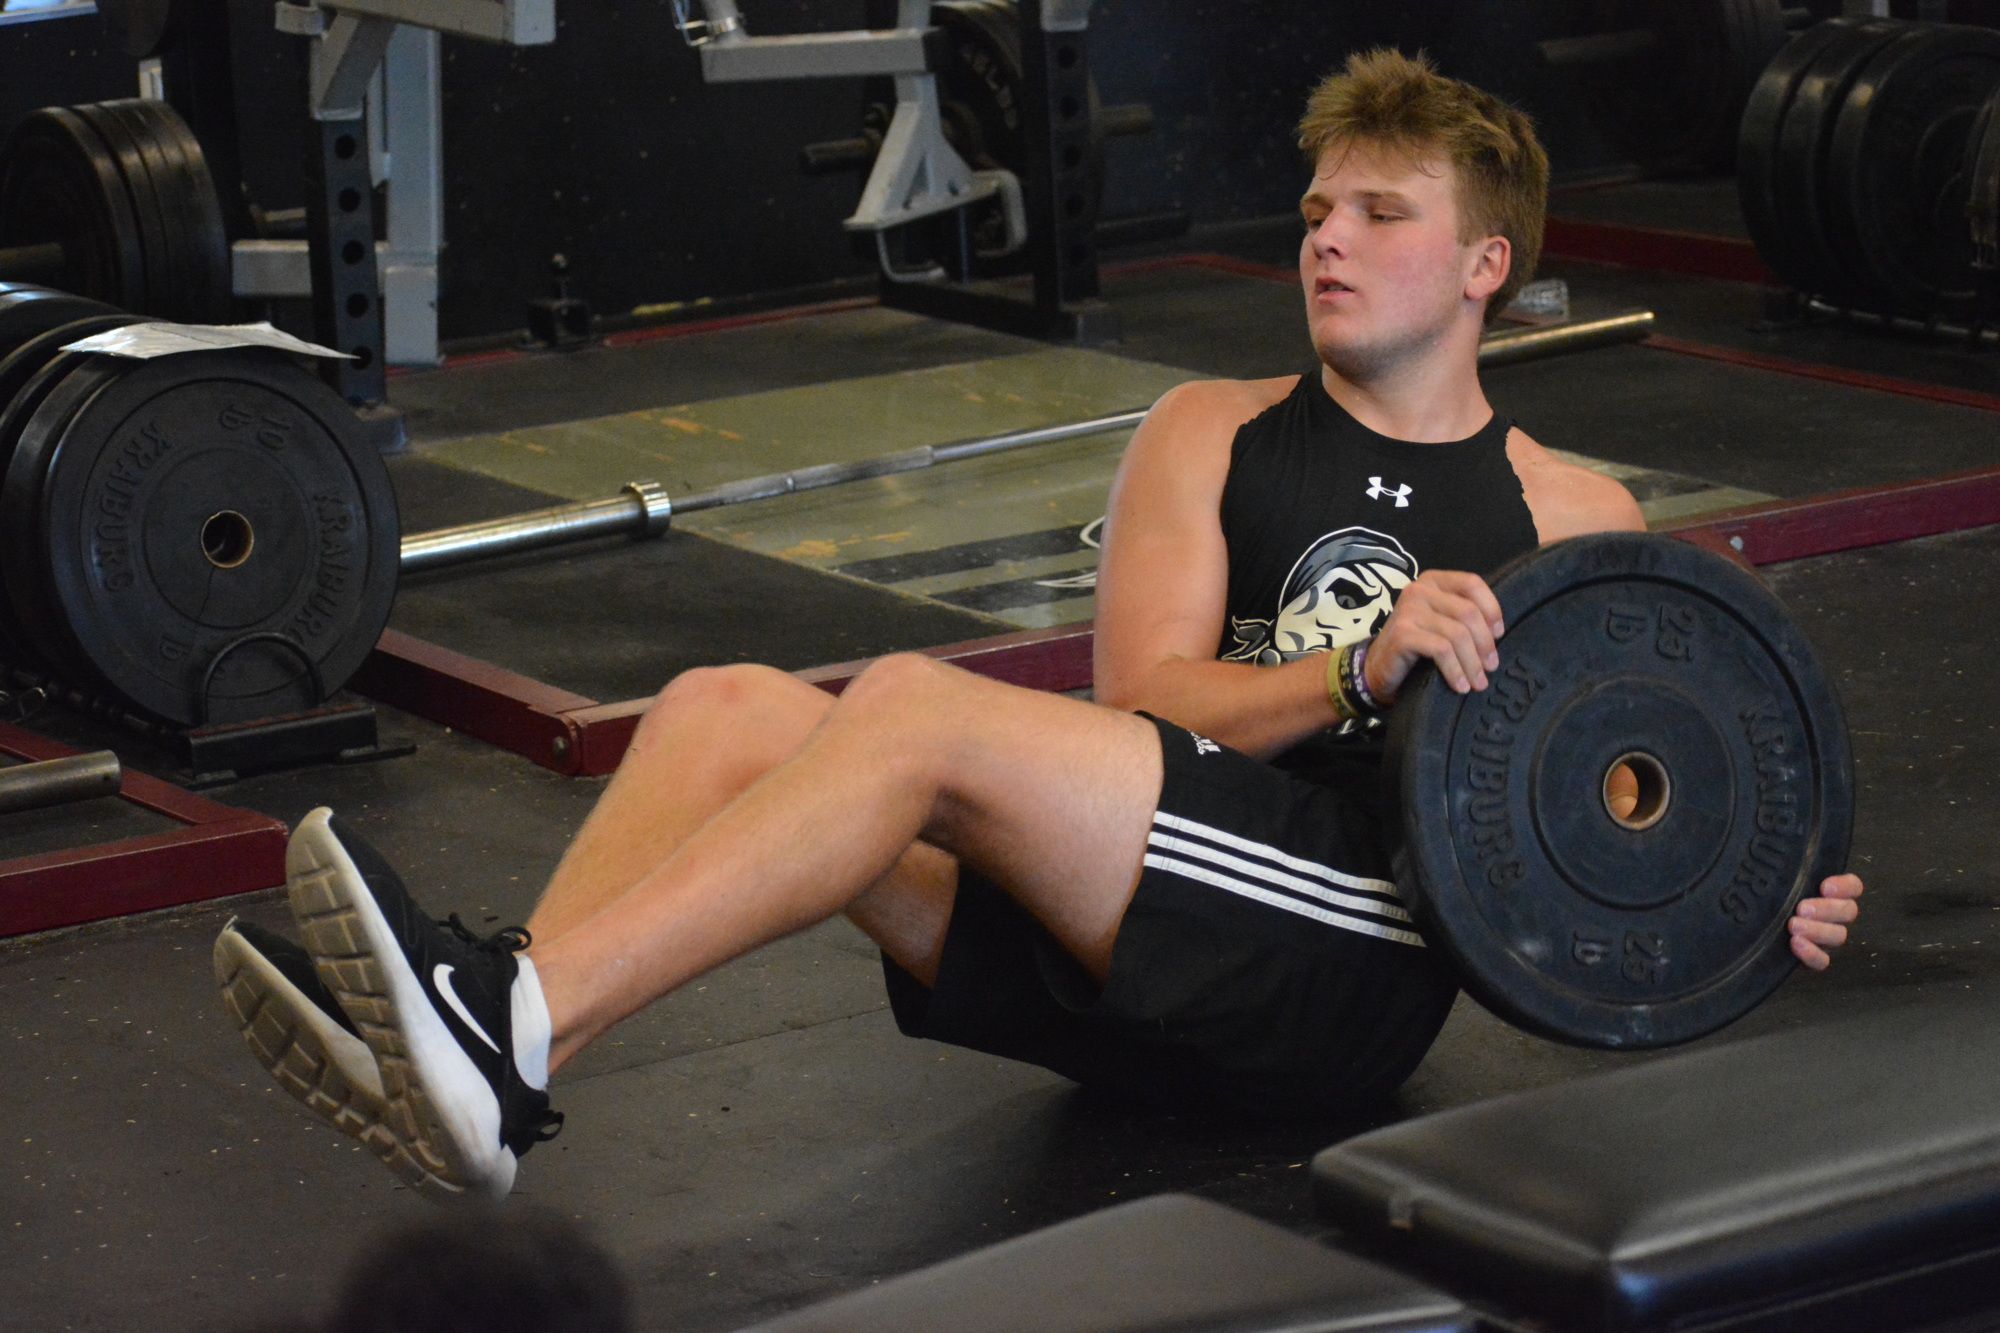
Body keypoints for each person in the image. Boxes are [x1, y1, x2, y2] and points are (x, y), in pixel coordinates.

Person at [214, 49, 1864, 1203]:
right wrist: (1357, 661)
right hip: (1158, 921)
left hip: (1341, 969)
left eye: (1378, 212)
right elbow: (1149, 702)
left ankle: (492, 1027)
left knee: (920, 709)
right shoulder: (1208, 432)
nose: (1328, 238)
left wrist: (1753, 913)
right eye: (1313, 211)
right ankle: (504, 1050)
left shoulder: (1579, 520)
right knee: (724, 701)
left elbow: (1650, 803)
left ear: (1487, 262)